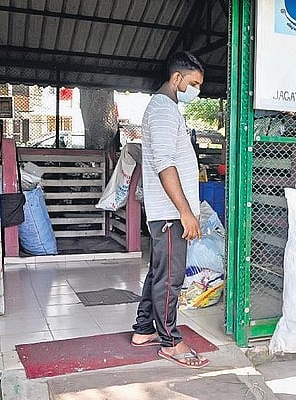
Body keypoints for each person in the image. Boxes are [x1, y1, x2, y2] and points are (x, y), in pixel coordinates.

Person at [131, 51, 210, 369]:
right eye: (194, 83)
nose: (197, 91)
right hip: (170, 214)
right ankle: (171, 342)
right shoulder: (163, 110)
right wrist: (185, 212)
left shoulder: (165, 108)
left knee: (158, 273)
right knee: (171, 280)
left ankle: (144, 330)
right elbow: (165, 164)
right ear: (177, 78)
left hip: (166, 213)